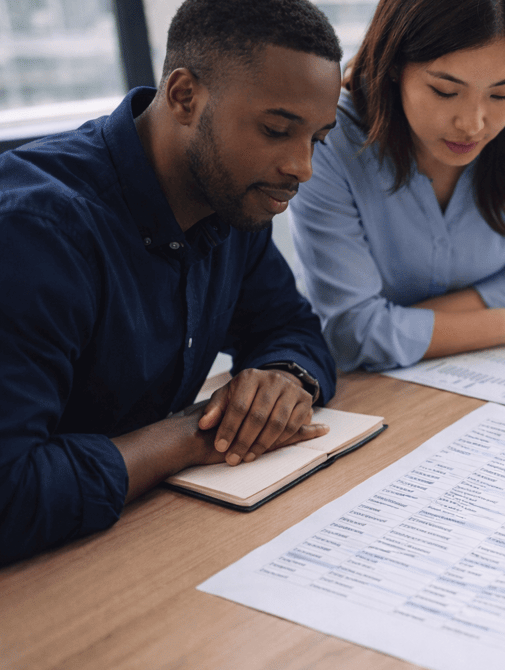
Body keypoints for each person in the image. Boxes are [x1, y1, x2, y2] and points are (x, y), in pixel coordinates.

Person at [0, 0, 344, 565]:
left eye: (318, 138)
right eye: (278, 130)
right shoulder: (37, 232)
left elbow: (290, 326)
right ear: (184, 96)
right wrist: (190, 436)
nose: (302, 166)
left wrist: (285, 377)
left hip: (140, 539)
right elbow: (10, 493)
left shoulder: (235, 197)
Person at [288, 0, 505, 372]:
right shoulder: (329, 132)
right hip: (363, 389)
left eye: (502, 94)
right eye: (445, 91)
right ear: (395, 64)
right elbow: (351, 332)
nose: (473, 125)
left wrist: (391, 323)